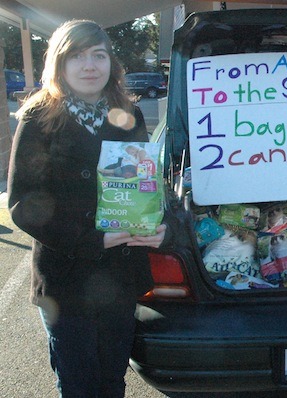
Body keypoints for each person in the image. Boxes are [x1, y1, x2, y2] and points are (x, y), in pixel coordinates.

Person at [8, 20, 171, 397]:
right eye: (77, 57)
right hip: (66, 282)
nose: (89, 66)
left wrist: (157, 224)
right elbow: (23, 203)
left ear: (111, 64)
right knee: (79, 383)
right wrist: (94, 240)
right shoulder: (39, 117)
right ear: (59, 65)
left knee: (113, 379)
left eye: (98, 55)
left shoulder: (127, 114)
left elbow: (145, 185)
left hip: (118, 279)